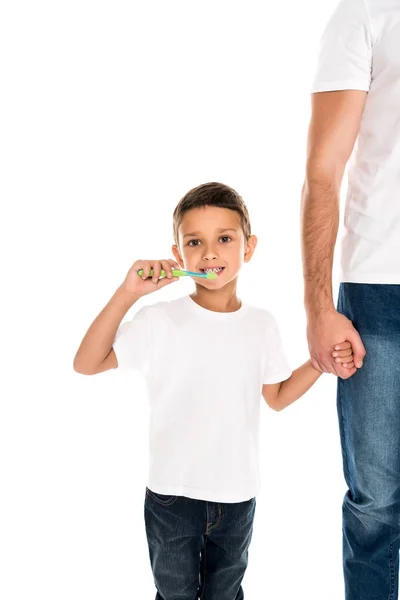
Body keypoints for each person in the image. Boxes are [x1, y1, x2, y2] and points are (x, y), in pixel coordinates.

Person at [74, 182, 354, 600]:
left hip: (237, 498)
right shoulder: (159, 320)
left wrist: (320, 363)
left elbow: (276, 396)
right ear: (177, 255)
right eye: (194, 242)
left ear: (249, 247)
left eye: (224, 239)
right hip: (171, 497)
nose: (209, 253)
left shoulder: (261, 325)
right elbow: (86, 363)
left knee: (226, 594)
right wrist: (127, 293)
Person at [301, 0, 400, 598]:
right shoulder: (366, 11)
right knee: (376, 508)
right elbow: (322, 169)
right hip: (380, 292)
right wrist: (317, 305)